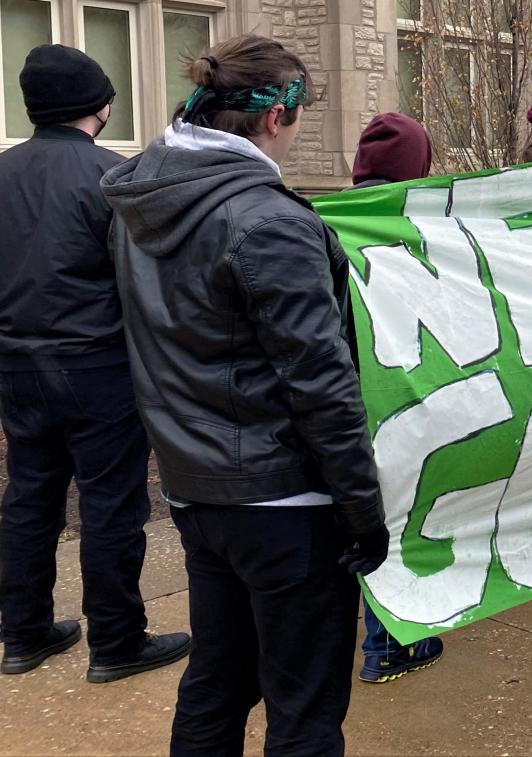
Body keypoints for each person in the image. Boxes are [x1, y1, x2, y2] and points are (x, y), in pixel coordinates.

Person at [101, 35, 388, 755]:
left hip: (200, 493)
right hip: (284, 505)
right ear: (273, 119)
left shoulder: (140, 202)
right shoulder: (270, 223)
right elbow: (323, 385)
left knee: (218, 680)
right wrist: (362, 510)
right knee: (305, 705)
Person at [0, 44, 192, 682]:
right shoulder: (116, 178)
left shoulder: (3, 175)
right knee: (111, 504)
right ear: (101, 105)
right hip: (98, 366)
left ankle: (23, 633)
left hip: (17, 366)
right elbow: (148, 279)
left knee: (30, 497)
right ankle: (117, 641)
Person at [348, 112, 446, 684]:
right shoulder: (409, 226)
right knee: (396, 519)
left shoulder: (326, 221)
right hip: (398, 399)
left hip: (341, 404)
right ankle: (388, 645)